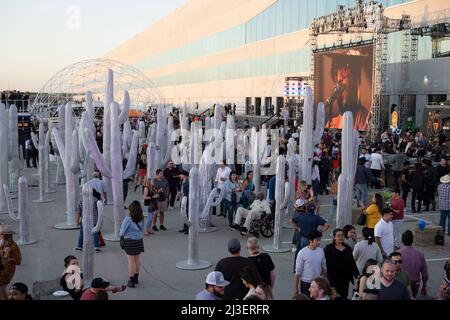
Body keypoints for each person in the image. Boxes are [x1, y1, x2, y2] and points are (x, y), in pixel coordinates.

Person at [290, 202, 330, 270]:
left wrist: (298, 228)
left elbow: (291, 220)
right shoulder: (316, 218)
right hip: (313, 239)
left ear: (306, 209)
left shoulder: (301, 216)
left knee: (302, 254)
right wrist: (320, 231)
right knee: (313, 254)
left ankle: (299, 268)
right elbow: (327, 225)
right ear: (313, 210)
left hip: (304, 238)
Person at [324, 229, 359, 299]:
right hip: (333, 278)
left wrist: (356, 274)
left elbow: (352, 262)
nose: (341, 237)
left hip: (345, 278)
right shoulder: (329, 248)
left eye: (342, 235)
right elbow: (322, 262)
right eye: (338, 236)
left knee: (344, 296)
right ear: (334, 237)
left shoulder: (347, 248)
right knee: (334, 296)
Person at [119, 201, 145, 288]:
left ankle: (131, 279)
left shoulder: (128, 219)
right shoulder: (141, 218)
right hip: (138, 241)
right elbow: (142, 230)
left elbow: (122, 232)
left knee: (131, 261)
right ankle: (136, 277)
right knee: (137, 260)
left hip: (129, 241)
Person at [294, 230, 327, 296]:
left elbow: (323, 267)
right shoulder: (302, 253)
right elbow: (298, 272)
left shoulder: (321, 251)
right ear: (310, 241)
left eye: (319, 240)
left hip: (317, 282)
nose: (319, 242)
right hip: (305, 283)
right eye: (317, 240)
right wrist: (296, 288)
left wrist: (326, 281)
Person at [399, 230, 429, 298]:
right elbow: (425, 274)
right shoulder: (420, 254)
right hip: (415, 283)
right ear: (412, 240)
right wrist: (424, 286)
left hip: (402, 282)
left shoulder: (398, 254)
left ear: (402, 240)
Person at [0, 225, 22, 300]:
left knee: (0, 290)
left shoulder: (11, 246)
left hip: (5, 272)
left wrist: (7, 258)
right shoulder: (3, 243)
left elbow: (18, 261)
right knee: (2, 290)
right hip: (4, 271)